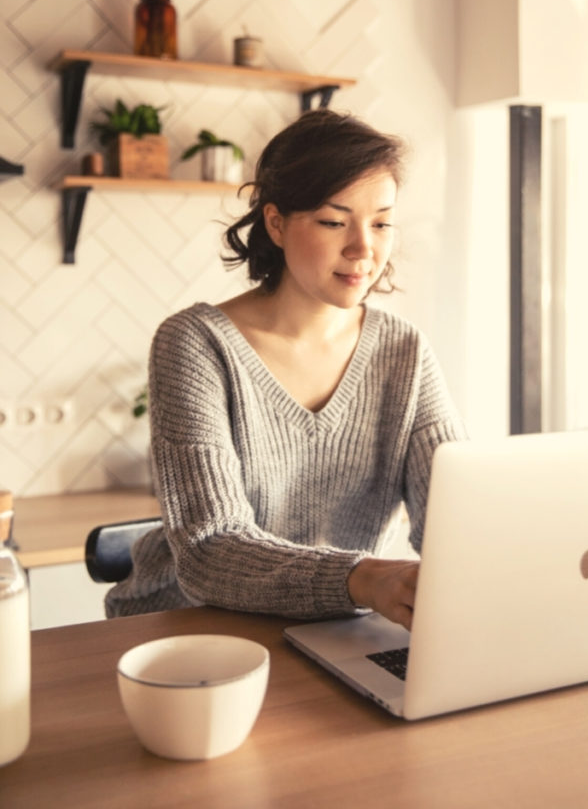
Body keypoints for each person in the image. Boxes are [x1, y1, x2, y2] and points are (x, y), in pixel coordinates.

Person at [105, 108, 466, 629]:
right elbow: (209, 548)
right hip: (185, 628)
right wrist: (360, 577)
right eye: (334, 222)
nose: (363, 248)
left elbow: (456, 519)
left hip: (328, 627)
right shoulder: (195, 344)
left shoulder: (404, 352)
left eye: (382, 223)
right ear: (276, 223)